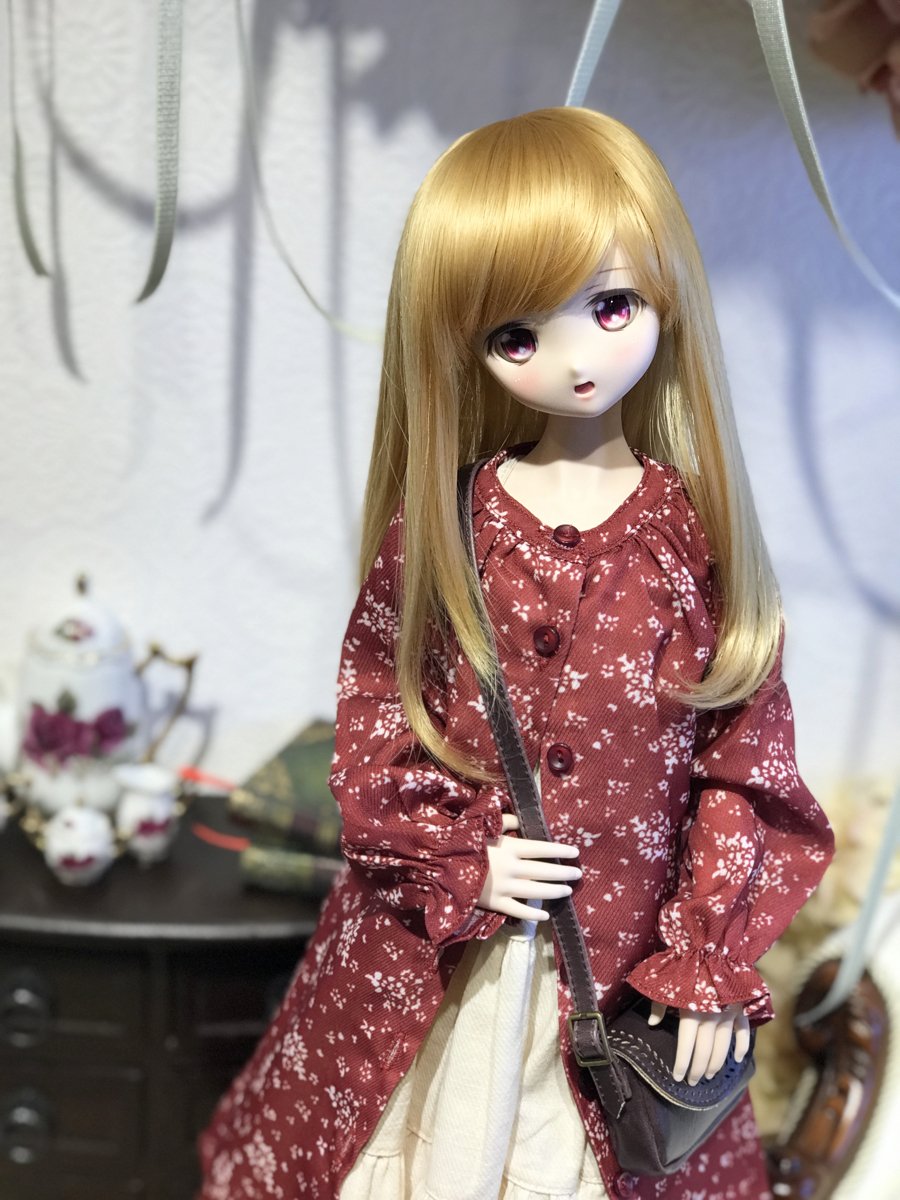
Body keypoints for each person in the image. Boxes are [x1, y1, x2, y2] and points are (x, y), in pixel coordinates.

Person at [198, 107, 834, 1200]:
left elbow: (744, 765)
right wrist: (460, 863)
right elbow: (380, 720)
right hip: (449, 964)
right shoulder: (449, 527)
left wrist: (708, 960)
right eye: (518, 334)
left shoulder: (696, 545)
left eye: (611, 305)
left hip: (622, 989)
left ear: (666, 296)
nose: (576, 358)